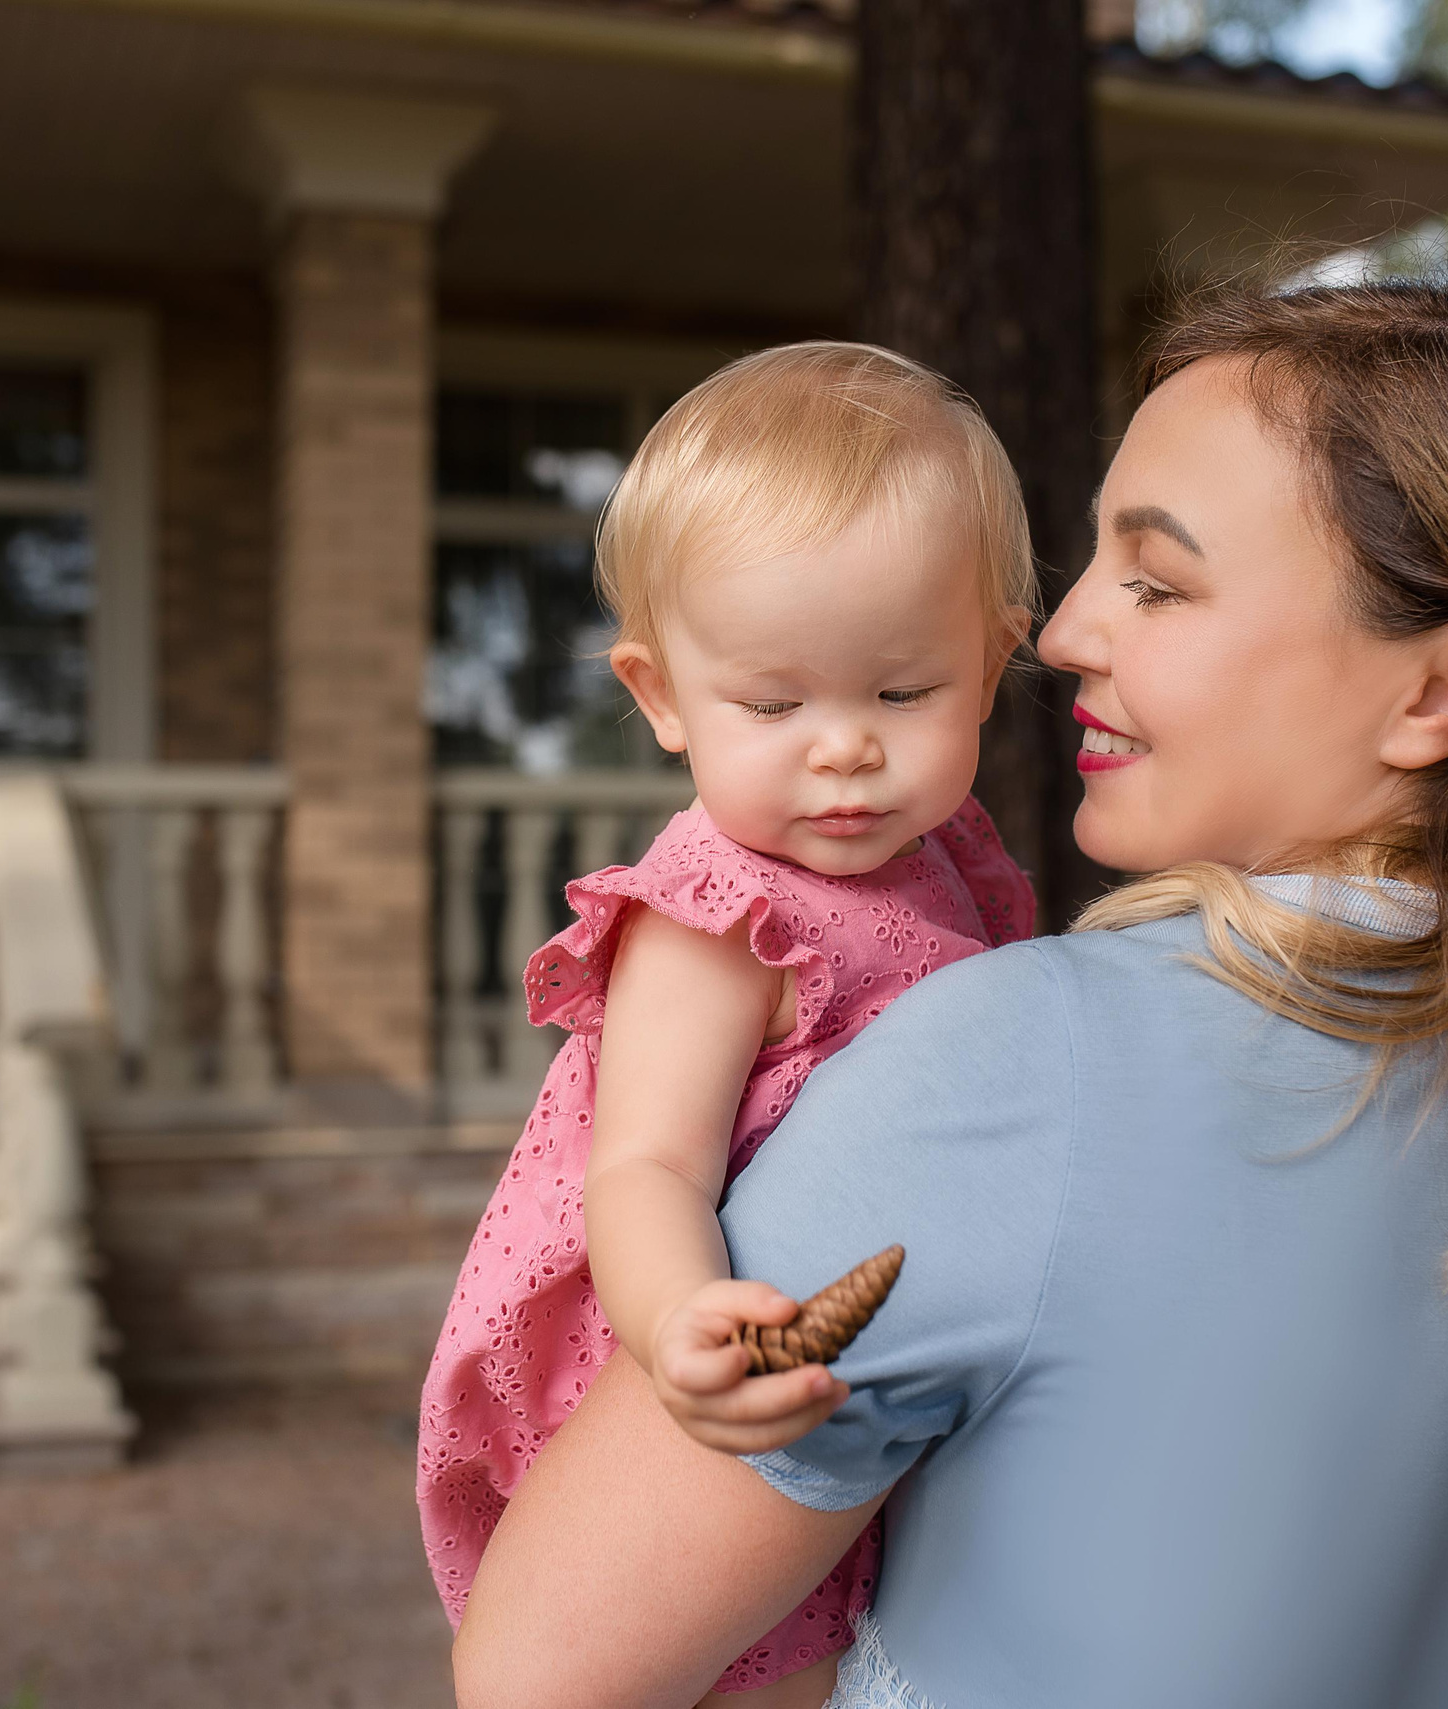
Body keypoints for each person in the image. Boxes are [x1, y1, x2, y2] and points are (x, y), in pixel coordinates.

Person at [450, 280, 1448, 1709]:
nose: (1060, 635)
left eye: (1157, 583)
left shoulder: (1012, 1064)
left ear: (1446, 689)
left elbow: (543, 1672)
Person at [417, 341, 1040, 1704]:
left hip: (873, 1351)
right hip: (712, 1365)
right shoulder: (717, 918)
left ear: (993, 663)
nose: (844, 746)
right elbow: (644, 1164)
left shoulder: (943, 856)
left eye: (904, 691)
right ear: (660, 697)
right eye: (771, 703)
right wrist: (680, 1321)